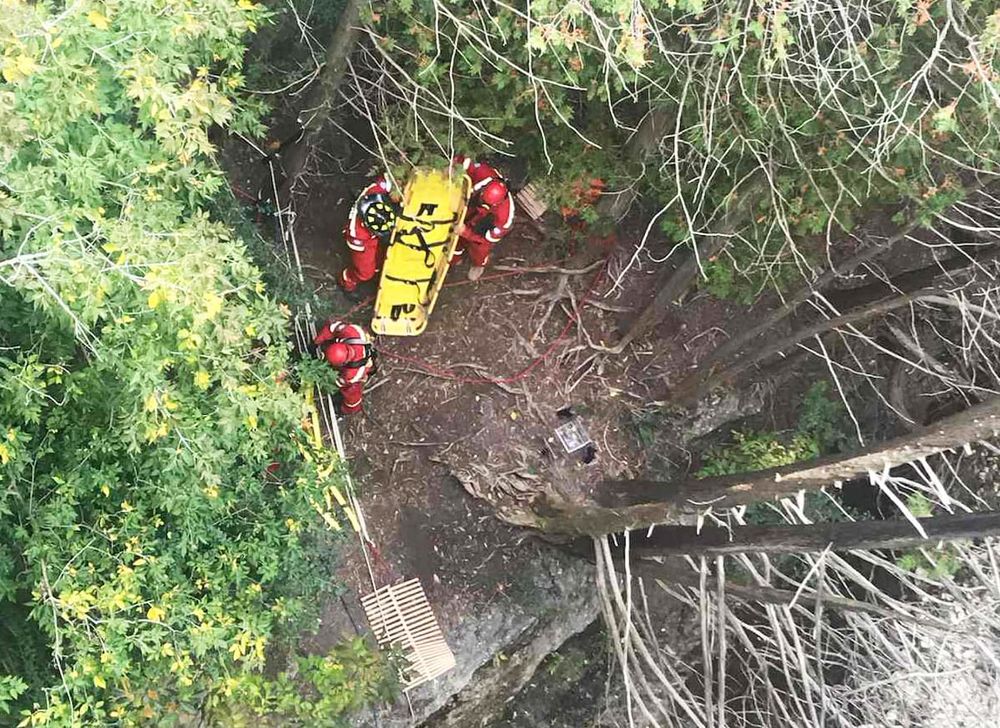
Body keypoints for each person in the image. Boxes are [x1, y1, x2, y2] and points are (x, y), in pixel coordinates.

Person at [452, 155, 515, 281]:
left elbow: (485, 240)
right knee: (457, 239)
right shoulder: (486, 175)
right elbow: (466, 162)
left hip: (486, 221)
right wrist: (453, 166)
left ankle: (478, 265)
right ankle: (455, 258)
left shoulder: (504, 219)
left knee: (479, 249)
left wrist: (466, 232)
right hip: (474, 207)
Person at [339, 175, 400, 293]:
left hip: (371, 236)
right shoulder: (356, 235)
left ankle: (377, 270)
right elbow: (360, 250)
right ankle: (347, 282)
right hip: (364, 243)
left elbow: (387, 180)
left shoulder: (374, 192)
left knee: (381, 256)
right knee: (365, 273)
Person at [313, 320, 376, 415]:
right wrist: (317, 341)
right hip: (359, 346)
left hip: (361, 367)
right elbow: (333, 327)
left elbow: (339, 382)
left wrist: (323, 374)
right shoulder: (351, 332)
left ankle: (347, 410)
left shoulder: (353, 374)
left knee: (351, 392)